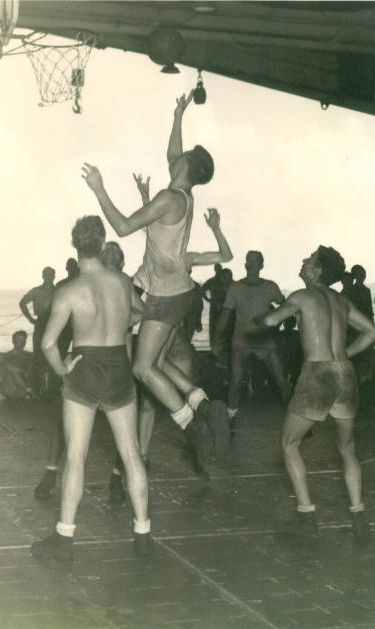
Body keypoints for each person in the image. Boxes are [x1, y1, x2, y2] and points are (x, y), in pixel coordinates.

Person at [82, 91, 229, 470]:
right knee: (159, 363)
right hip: (178, 291)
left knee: (142, 368)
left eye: (178, 158)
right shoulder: (184, 193)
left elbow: (123, 226)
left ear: (185, 166)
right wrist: (178, 115)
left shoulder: (168, 197)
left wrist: (99, 189)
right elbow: (173, 153)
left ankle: (190, 424)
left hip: (164, 296)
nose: (172, 156)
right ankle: (200, 400)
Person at [30, 216, 151, 561]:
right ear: (101, 244)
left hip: (84, 369)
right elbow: (141, 313)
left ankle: (64, 539)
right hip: (118, 367)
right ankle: (143, 534)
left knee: (77, 456)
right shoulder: (122, 282)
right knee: (131, 454)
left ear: (74, 244)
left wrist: (63, 371)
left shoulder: (68, 290)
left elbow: (49, 344)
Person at [254, 246, 375, 545]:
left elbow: (270, 322)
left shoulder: (301, 296)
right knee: (347, 448)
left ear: (318, 270)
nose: (302, 262)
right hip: (345, 373)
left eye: (308, 260)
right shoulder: (342, 300)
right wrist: (345, 354)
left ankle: (307, 515)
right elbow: (373, 332)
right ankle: (359, 516)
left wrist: (259, 318)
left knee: (289, 442)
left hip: (317, 374)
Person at [212, 250, 291, 432]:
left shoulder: (270, 286)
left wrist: (282, 327)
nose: (250, 263)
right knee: (236, 380)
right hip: (241, 342)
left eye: (254, 260)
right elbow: (225, 315)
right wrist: (217, 339)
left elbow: (286, 307)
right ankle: (231, 419)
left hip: (265, 342)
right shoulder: (235, 288)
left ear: (261, 265)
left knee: (281, 379)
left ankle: (297, 419)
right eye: (248, 260)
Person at [19, 267, 56, 395]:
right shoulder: (36, 291)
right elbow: (22, 303)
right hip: (40, 323)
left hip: (54, 324)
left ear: (54, 276)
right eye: (46, 274)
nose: (49, 277)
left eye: (51, 274)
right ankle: (36, 388)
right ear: (43, 276)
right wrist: (30, 318)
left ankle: (52, 388)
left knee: (53, 355)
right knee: (38, 356)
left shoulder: (58, 291)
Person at [350, 264, 374, 382]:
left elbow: (370, 311)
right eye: (359, 275)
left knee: (365, 354)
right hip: (353, 327)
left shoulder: (367, 290)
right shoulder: (351, 290)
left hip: (364, 326)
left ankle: (364, 381)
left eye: (363, 275)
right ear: (355, 276)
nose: (362, 277)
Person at [56, 258, 79, 359]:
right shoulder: (61, 284)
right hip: (68, 323)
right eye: (71, 267)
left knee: (77, 351)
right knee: (62, 350)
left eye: (73, 267)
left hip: (74, 323)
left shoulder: (61, 284)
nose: (72, 269)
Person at [1, 330, 34, 401]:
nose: (21, 342)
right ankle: (28, 391)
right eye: (19, 340)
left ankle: (28, 391)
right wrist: (22, 371)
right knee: (13, 372)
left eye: (23, 340)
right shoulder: (8, 355)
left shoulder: (29, 355)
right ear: (13, 341)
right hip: (11, 385)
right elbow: (7, 366)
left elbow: (31, 370)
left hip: (25, 381)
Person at [202, 263, 225, 346]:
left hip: (225, 307)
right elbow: (202, 290)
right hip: (214, 307)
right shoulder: (211, 281)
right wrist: (209, 300)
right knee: (213, 327)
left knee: (224, 328)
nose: (218, 270)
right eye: (217, 268)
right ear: (215, 270)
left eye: (219, 268)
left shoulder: (226, 280)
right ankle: (213, 348)